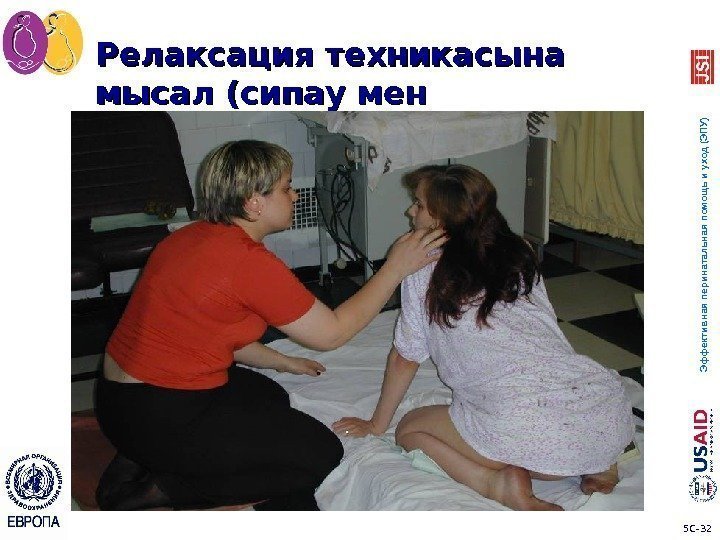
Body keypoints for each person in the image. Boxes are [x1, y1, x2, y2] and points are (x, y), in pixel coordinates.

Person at [95, 140, 447, 511]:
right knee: (322, 456)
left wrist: (283, 361)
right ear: (254, 203)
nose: (294, 195)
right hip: (156, 413)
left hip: (119, 400)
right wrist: (394, 268)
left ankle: (140, 456)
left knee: (269, 395)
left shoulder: (190, 236)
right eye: (286, 187)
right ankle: (157, 489)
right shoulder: (247, 262)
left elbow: (214, 331)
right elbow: (333, 333)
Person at [332, 164, 634, 511]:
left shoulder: (421, 268)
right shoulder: (519, 250)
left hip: (524, 432)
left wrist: (376, 424)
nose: (410, 211)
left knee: (410, 430)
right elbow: (545, 326)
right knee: (564, 408)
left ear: (441, 219)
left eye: (418, 204)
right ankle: (600, 466)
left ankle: (496, 483)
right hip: (607, 412)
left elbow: (405, 358)